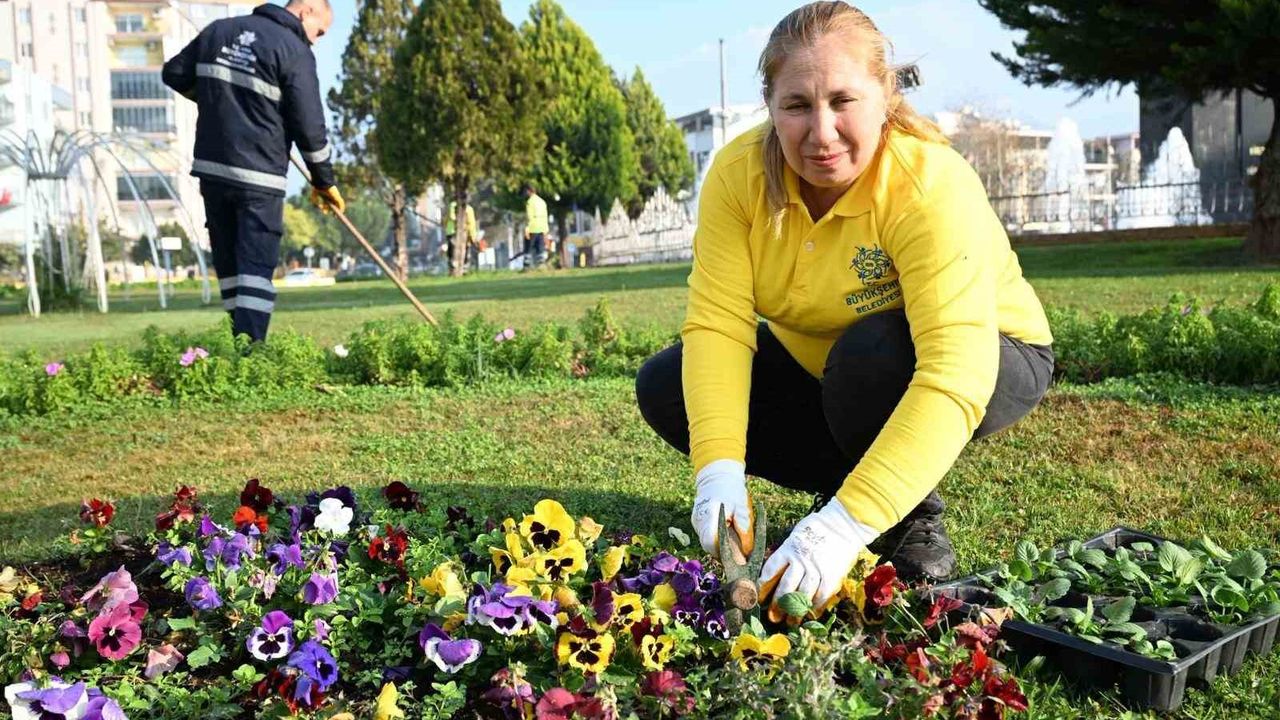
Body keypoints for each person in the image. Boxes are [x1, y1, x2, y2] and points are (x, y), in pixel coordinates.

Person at [634, 1, 1054, 611]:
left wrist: (847, 525)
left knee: (870, 356)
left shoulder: (927, 183)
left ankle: (904, 516)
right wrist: (717, 468)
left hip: (989, 356)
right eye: (797, 106)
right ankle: (849, 482)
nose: (822, 132)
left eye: (842, 101)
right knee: (667, 385)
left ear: (886, 96)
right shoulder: (736, 176)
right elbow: (719, 328)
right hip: (827, 363)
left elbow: (955, 374)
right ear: (770, 105)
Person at [162, 0, 343, 343]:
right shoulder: (294, 50)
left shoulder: (219, 31)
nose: (317, 39)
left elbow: (174, 73)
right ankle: (250, 353)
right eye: (320, 31)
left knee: (231, 267)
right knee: (255, 270)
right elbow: (309, 127)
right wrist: (324, 181)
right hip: (259, 177)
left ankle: (238, 344)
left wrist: (220, 100)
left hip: (213, 172)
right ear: (306, 11)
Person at [445, 200, 478, 273]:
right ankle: (461, 269)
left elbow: (449, 218)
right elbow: (471, 224)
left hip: (454, 233)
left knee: (454, 252)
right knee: (462, 252)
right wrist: (472, 236)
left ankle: (456, 268)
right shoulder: (468, 209)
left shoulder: (453, 205)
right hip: (458, 233)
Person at [523, 185, 549, 268]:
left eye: (526, 191)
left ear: (529, 191)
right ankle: (541, 265)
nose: (525, 193)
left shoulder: (530, 202)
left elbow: (529, 216)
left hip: (532, 227)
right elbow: (545, 216)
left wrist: (527, 228)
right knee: (540, 247)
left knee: (528, 247)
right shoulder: (542, 202)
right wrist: (546, 229)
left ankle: (527, 265)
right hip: (541, 227)